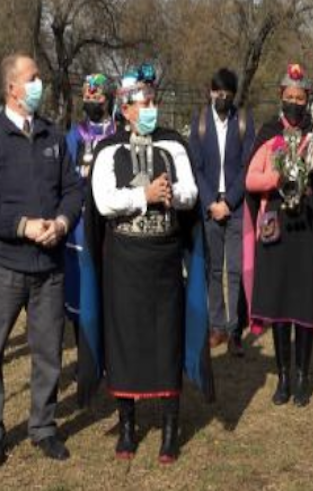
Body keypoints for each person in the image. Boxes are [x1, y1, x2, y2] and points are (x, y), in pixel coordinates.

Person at [84, 68, 214, 463]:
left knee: (165, 340)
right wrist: (143, 194)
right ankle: (127, 426)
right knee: (126, 342)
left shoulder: (174, 145)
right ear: (125, 110)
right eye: (144, 104)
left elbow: (192, 190)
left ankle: (170, 430)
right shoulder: (108, 150)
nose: (151, 109)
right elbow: (105, 201)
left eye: (154, 102)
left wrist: (172, 194)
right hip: (124, 259)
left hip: (164, 260)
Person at [0, 53, 83, 466]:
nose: (40, 85)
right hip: (4, 266)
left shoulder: (53, 134)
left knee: (49, 351)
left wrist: (63, 222)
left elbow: (73, 190)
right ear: (12, 88)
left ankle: (44, 427)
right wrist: (23, 226)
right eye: (33, 79)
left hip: (49, 267)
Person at [243, 64, 313, 407]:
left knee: (303, 303)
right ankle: (283, 378)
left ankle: (302, 378)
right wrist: (277, 176)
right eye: (290, 98)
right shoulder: (268, 133)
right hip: (276, 226)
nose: (295, 104)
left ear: (308, 100)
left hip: (308, 228)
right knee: (278, 302)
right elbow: (250, 181)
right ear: (281, 98)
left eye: (301, 98)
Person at [188, 68, 255, 356]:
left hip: (236, 208)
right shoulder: (200, 122)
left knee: (235, 271)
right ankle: (216, 327)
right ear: (210, 92)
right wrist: (211, 203)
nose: (222, 97)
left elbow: (247, 166)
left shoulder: (243, 122)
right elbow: (196, 167)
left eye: (228, 93)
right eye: (218, 92)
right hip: (209, 208)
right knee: (213, 270)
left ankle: (234, 329)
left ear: (233, 95)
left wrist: (230, 202)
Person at [63, 73, 116, 350]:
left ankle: (109, 350)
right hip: (80, 224)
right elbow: (65, 175)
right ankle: (84, 349)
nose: (91, 101)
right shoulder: (74, 135)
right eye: (87, 96)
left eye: (97, 96)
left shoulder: (118, 134)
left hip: (110, 223)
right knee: (78, 284)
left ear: (108, 99)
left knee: (107, 282)